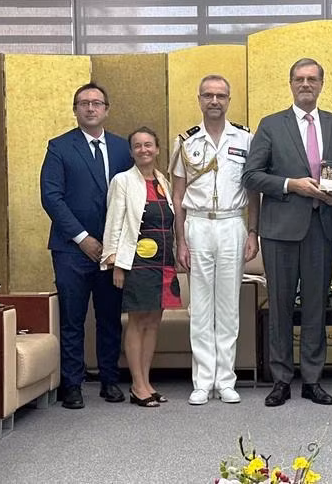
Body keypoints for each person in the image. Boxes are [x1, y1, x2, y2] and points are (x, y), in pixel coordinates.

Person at [243, 58, 332, 407]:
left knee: (317, 306)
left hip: (322, 226)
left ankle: (313, 379)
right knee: (280, 306)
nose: (306, 84)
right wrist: (292, 184)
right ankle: (281, 379)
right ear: (291, 84)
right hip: (280, 230)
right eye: (299, 79)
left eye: (312, 79)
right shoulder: (271, 125)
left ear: (322, 84)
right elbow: (251, 176)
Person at [40, 82, 133, 409]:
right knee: (72, 318)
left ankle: (110, 380)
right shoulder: (59, 147)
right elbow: (51, 197)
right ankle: (73, 385)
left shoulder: (124, 149)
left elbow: (132, 197)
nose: (90, 108)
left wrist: (114, 243)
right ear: (76, 109)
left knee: (109, 317)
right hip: (71, 250)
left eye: (97, 103)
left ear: (106, 109)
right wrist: (82, 238)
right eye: (84, 103)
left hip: (111, 250)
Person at [171, 74, 260, 405]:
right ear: (199, 99)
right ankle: (202, 380)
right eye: (208, 95)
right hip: (197, 226)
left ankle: (226, 380)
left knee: (228, 307)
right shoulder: (185, 141)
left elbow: (254, 193)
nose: (214, 101)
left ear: (228, 100)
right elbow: (177, 197)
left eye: (220, 96)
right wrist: (181, 241)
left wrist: (253, 232)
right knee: (201, 307)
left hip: (231, 225)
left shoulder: (246, 139)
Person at [101, 127, 180, 408]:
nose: (144, 150)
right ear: (131, 151)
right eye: (138, 146)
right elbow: (115, 223)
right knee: (137, 322)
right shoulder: (122, 181)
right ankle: (136, 385)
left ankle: (147, 382)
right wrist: (114, 264)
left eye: (149, 145)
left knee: (153, 322)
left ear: (157, 149)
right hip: (136, 262)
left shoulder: (163, 181)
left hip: (163, 263)